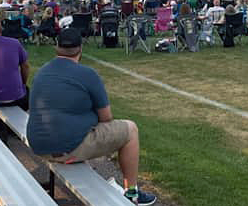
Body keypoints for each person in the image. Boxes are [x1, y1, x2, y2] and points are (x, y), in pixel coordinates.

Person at [27, 29, 157, 205]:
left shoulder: (42, 72)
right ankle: (132, 192)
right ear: (80, 49)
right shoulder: (88, 74)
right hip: (66, 149)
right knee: (131, 130)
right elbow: (106, 118)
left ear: (56, 47)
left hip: (39, 146)